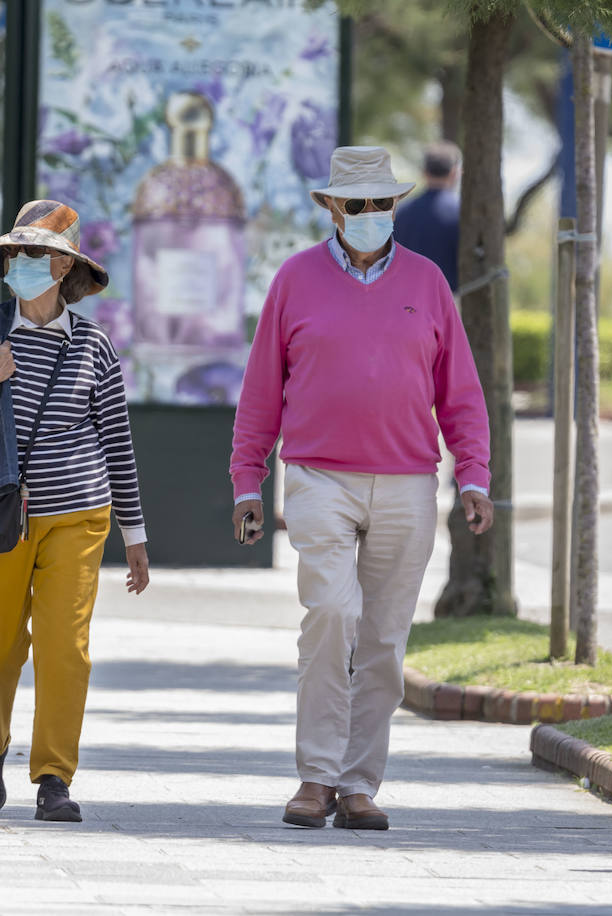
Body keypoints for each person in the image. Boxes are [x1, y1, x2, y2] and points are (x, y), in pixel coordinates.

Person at [229, 146, 493, 831]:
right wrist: (246, 481)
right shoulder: (294, 280)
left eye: (382, 203)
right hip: (319, 477)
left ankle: (358, 786)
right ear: (332, 208)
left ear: (395, 206)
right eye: (358, 204)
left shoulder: (430, 282)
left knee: (382, 639)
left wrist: (474, 475)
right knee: (333, 616)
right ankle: (315, 777)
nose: (371, 214)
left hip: (408, 483)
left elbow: (460, 392)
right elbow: (261, 391)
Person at [0, 200, 150, 823]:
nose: (23, 265)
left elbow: (117, 441)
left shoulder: (94, 346)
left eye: (37, 255)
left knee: (63, 645)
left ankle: (53, 777)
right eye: (15, 255)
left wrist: (135, 532)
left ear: (65, 268)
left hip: (77, 512)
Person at [392, 141, 461, 292]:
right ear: (454, 173)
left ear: (424, 172)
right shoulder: (462, 213)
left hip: (407, 297)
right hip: (449, 298)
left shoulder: (400, 213)